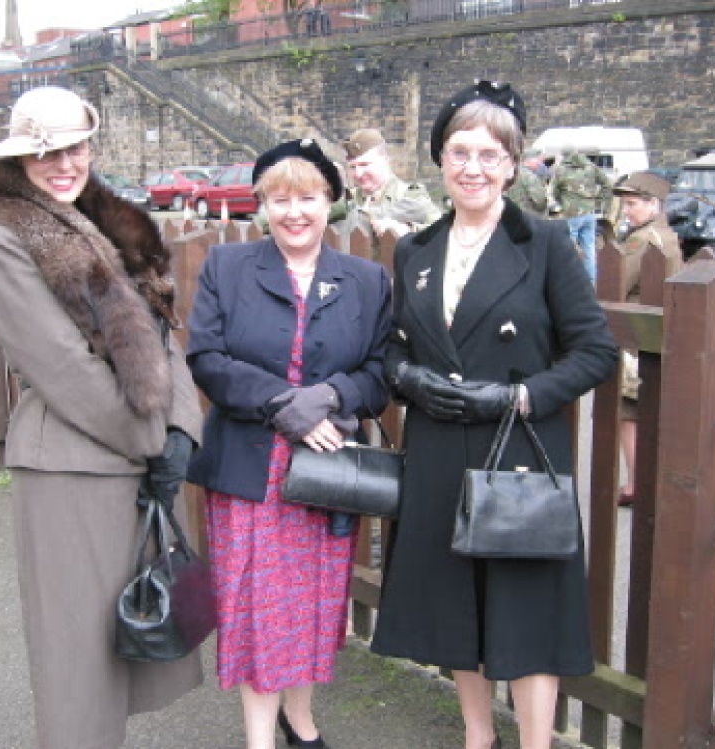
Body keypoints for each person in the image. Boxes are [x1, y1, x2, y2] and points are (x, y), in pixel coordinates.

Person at [370, 81, 618, 749]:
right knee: (455, 606)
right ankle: (478, 736)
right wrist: (408, 378)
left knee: (526, 611)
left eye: (489, 154)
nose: (472, 168)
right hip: (439, 447)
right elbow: (393, 346)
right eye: (459, 152)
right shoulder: (417, 249)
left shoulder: (545, 243)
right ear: (440, 159)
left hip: (520, 452)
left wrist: (517, 396)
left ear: (512, 163)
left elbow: (595, 352)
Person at [0, 86, 204, 749]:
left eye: (74, 148)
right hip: (72, 473)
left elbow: (162, 334)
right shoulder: (6, 237)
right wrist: (155, 444)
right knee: (77, 668)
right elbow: (61, 366)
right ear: (20, 159)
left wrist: (182, 431)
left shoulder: (105, 219)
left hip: (136, 463)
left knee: (128, 648)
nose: (64, 164)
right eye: (45, 152)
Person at [186, 138, 391, 749]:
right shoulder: (227, 268)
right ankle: (259, 738)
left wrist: (329, 396)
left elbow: (381, 373)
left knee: (313, 603)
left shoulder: (365, 280)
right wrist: (285, 405)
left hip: (326, 472)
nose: (294, 212)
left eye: (308, 198)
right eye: (280, 200)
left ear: (331, 201)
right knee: (256, 607)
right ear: (262, 205)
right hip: (250, 470)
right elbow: (207, 358)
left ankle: (300, 721)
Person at [610, 171, 682, 507]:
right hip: (657, 335)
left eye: (632, 204)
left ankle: (636, 482)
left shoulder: (642, 240)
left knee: (629, 413)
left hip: (637, 337)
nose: (626, 211)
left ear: (654, 204)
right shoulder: (666, 234)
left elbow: (617, 282)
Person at [342, 127, 443, 246]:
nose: (358, 174)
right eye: (352, 167)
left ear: (385, 160)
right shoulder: (347, 198)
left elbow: (442, 232)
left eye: (364, 165)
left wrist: (410, 231)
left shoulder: (411, 195)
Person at [550, 147, 612, 283]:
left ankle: (569, 282)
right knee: (589, 250)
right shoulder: (590, 167)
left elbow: (554, 191)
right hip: (589, 213)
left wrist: (563, 202)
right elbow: (607, 184)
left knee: (569, 249)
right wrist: (599, 200)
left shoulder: (561, 170)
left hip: (571, 214)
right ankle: (591, 283)